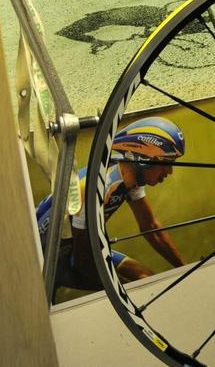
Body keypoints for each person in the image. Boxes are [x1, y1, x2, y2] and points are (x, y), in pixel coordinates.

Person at [36, 117, 187, 297]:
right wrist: (124, 289)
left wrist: (186, 270)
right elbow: (82, 261)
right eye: (166, 164)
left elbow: (152, 228)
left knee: (145, 278)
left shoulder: (130, 179)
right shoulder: (92, 187)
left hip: (74, 253)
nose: (169, 172)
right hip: (44, 261)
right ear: (143, 160)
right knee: (136, 288)